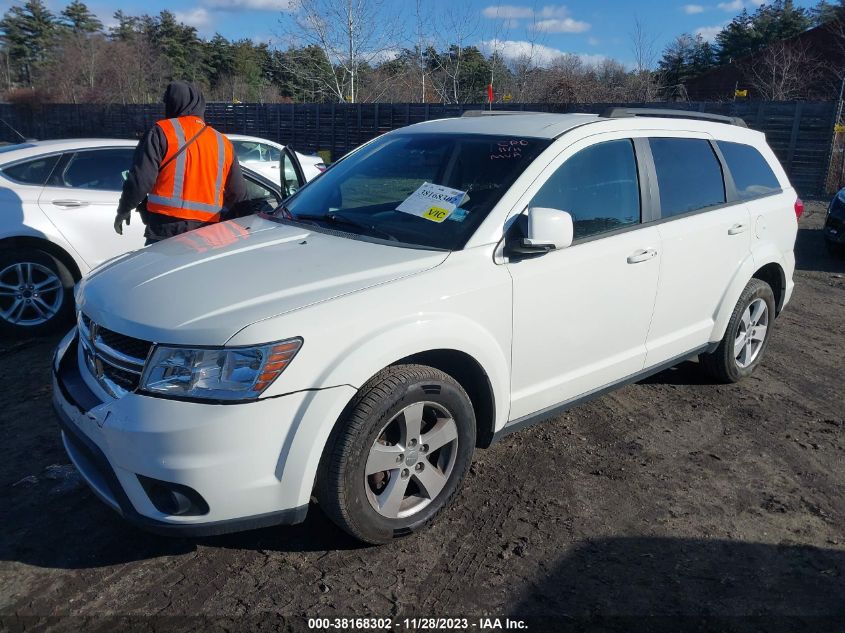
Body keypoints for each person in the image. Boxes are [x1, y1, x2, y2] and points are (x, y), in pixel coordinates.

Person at [114, 81, 247, 244]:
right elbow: (239, 193)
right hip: (208, 232)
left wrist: (124, 208)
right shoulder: (222, 142)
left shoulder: (161, 131)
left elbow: (140, 180)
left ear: (172, 103)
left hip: (166, 227)